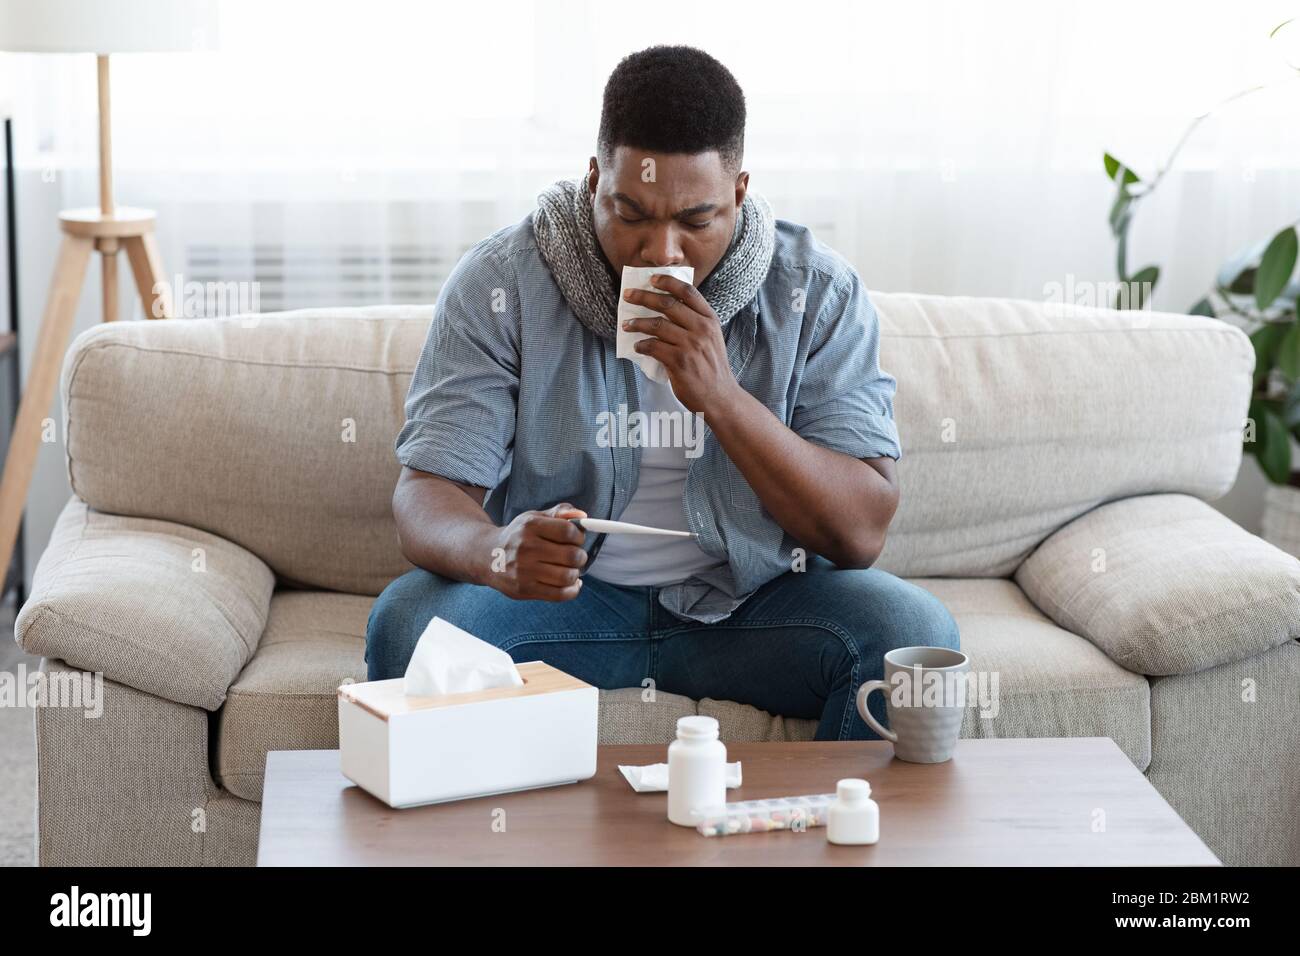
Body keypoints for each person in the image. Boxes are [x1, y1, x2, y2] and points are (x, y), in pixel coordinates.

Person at [365, 45, 959, 740]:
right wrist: (495, 549)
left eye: (695, 220)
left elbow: (860, 532)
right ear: (594, 181)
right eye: (632, 214)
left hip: (756, 608)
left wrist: (724, 399)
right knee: (409, 625)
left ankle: (833, 841)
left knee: (910, 635)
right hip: (569, 608)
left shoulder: (817, 293)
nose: (661, 252)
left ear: (738, 194)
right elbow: (425, 495)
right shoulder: (503, 282)